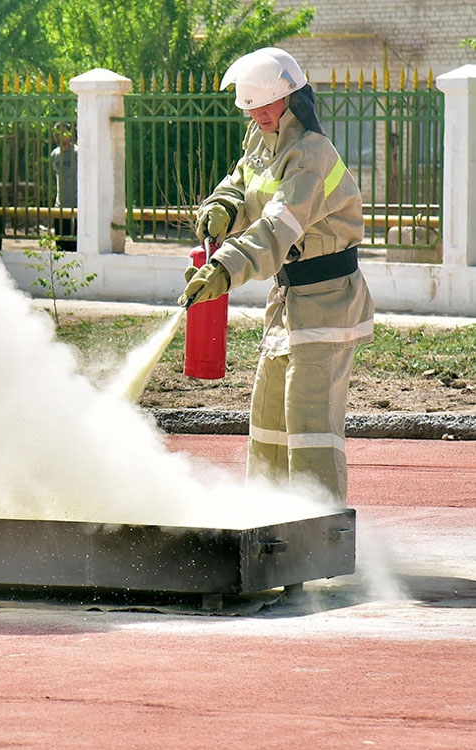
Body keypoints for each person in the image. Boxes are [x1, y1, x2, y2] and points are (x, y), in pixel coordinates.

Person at [177, 47, 374, 504]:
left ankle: (320, 536)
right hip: (288, 300)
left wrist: (225, 268)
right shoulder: (261, 140)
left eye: (268, 104)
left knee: (309, 426)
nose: (260, 113)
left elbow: (275, 230)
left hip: (328, 299)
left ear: (291, 98)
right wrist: (222, 204)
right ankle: (264, 520)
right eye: (251, 106)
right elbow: (242, 181)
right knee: (266, 416)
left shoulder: (310, 155)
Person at [50, 122, 78, 251]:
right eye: (56, 133)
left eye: (62, 133)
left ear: (69, 135)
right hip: (59, 206)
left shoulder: (78, 153)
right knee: (61, 246)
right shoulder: (54, 154)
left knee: (75, 246)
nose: (58, 136)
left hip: (77, 206)